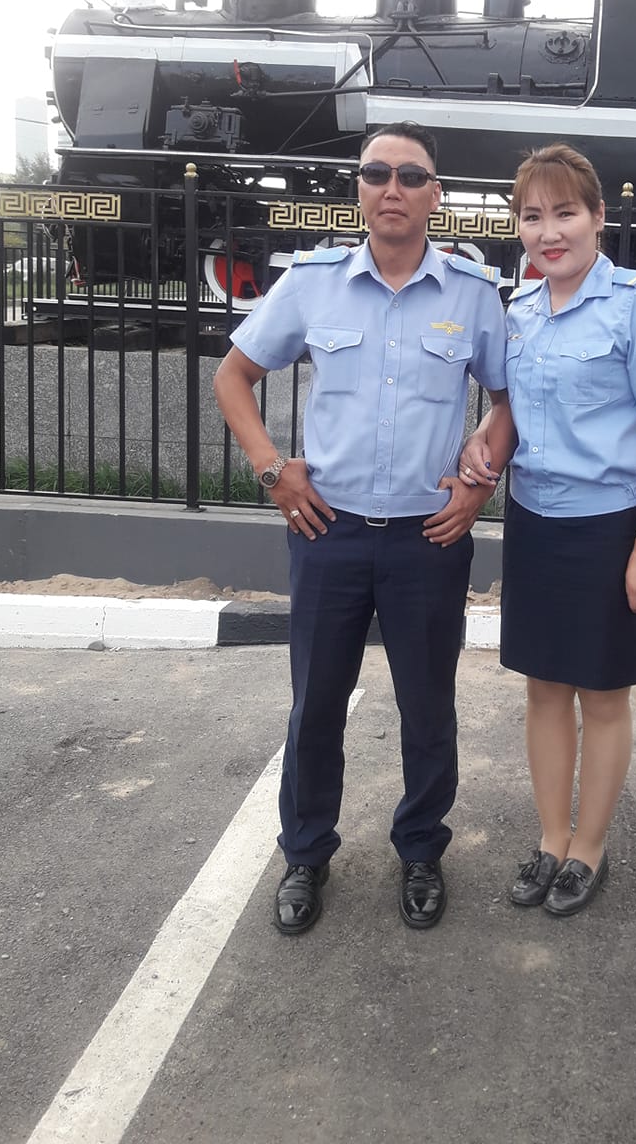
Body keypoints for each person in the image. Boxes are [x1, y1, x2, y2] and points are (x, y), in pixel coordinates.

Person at [214, 121, 510, 934]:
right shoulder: (313, 284)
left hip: (429, 537)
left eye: (411, 176)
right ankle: (306, 854)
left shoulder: (472, 295)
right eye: (377, 173)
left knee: (428, 707)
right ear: (359, 189)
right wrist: (273, 470)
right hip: (328, 532)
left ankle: (420, 851)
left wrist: (479, 483)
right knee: (315, 706)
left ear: (435, 196)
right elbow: (234, 376)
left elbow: (508, 399)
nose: (392, 188)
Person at [459, 143, 636, 916]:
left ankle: (589, 848)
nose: (548, 231)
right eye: (532, 216)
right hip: (535, 524)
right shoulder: (520, 311)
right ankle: (551, 838)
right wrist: (482, 444)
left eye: (565, 213)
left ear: (597, 217)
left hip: (609, 529)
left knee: (603, 696)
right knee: (545, 689)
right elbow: (514, 414)